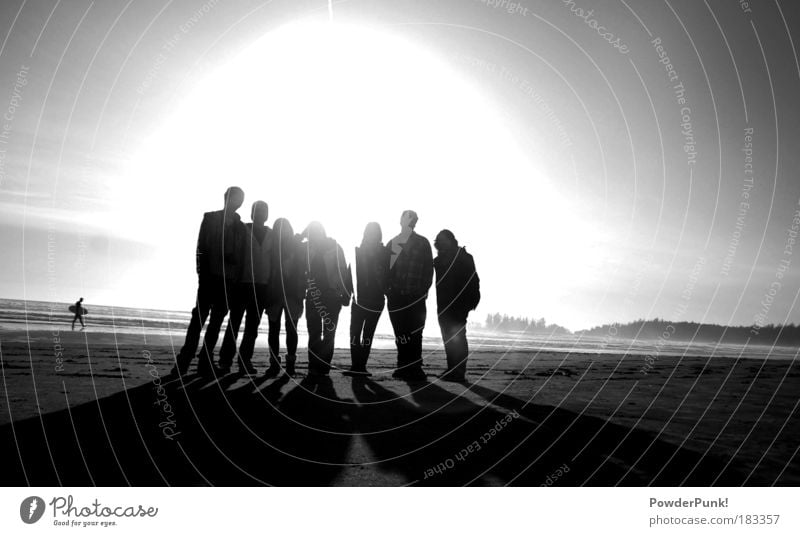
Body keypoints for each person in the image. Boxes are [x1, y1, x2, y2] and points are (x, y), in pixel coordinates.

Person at [171, 187, 247, 378]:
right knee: (198, 320)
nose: (236, 202)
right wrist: (201, 274)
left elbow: (243, 257)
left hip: (228, 281)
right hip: (209, 277)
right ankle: (184, 361)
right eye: (234, 198)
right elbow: (200, 248)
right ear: (226, 198)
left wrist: (236, 278)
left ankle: (205, 360)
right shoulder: (211, 218)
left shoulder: (241, 227)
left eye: (240, 200)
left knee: (215, 323)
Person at [218, 201, 272, 376]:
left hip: (262, 286)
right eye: (258, 211)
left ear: (267, 215)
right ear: (252, 213)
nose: (261, 214)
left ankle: (244, 360)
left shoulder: (271, 234)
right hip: (242, 284)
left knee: (252, 328)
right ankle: (225, 361)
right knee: (234, 323)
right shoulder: (242, 229)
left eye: (264, 211)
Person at [386, 210, 433, 380]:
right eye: (407, 218)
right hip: (396, 298)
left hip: (416, 298)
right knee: (401, 334)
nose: (410, 222)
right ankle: (403, 366)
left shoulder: (422, 243)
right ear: (401, 221)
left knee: (415, 333)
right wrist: (389, 291)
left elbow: (429, 270)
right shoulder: (393, 243)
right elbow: (386, 270)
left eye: (413, 219)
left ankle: (415, 367)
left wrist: (422, 291)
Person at [303, 222, 352, 377]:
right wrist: (302, 235)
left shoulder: (335, 248)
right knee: (314, 332)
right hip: (313, 295)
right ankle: (314, 366)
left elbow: (343, 272)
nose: (313, 237)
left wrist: (345, 293)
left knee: (329, 333)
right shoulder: (307, 248)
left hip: (331, 295)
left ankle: (323, 367)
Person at [433, 230, 480, 382]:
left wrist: (471, 302)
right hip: (443, 304)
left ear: (452, 241)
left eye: (445, 241)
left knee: (458, 336)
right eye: (440, 242)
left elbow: (474, 280)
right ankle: (452, 368)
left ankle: (458, 371)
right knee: (448, 337)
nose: (442, 244)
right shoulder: (439, 260)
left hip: (459, 304)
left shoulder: (464, 257)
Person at [345, 222, 389, 377]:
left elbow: (389, 275)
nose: (371, 236)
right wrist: (346, 294)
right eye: (370, 233)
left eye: (373, 234)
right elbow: (350, 275)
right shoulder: (361, 251)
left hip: (374, 299)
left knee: (365, 334)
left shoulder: (384, 253)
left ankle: (360, 365)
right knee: (356, 333)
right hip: (361, 298)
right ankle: (357, 365)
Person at [264, 218, 305, 377]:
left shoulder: (297, 246)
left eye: (285, 229)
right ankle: (275, 363)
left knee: (291, 329)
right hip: (275, 294)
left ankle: (290, 364)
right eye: (280, 229)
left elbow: (303, 269)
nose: (283, 232)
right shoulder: (272, 247)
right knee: (274, 330)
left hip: (292, 294)